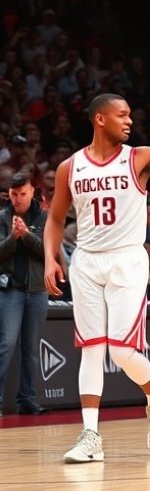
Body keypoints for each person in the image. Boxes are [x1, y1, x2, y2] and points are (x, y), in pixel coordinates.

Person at [43, 78, 150, 463]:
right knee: (91, 350)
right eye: (122, 115)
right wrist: (50, 257)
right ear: (100, 119)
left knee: (121, 351)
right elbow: (55, 219)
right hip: (87, 261)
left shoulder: (140, 157)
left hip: (126, 258)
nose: (129, 121)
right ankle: (91, 436)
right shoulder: (69, 167)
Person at [0, 173, 48, 416]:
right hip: (10, 290)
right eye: (14, 194)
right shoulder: (2, 218)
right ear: (8, 194)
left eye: (23, 193)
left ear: (32, 192)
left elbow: (48, 254)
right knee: (6, 344)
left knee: (30, 348)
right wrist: (12, 238)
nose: (18, 199)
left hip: (37, 290)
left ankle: (28, 399)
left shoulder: (44, 217)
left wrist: (26, 235)